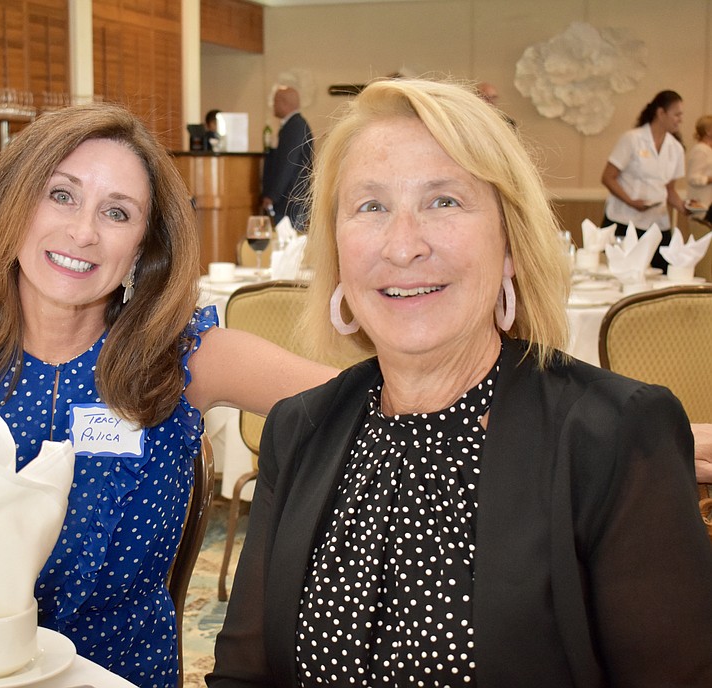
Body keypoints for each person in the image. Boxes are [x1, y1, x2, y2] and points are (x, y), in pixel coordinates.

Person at [209, 78, 712, 686]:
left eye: (443, 201)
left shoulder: (610, 438)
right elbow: (244, 674)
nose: (403, 245)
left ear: (509, 245)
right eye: (370, 206)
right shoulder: (300, 428)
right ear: (336, 253)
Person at [0, 102, 335, 688]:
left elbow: (361, 400)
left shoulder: (183, 356)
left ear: (144, 246)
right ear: (13, 204)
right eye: (61, 195)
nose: (83, 231)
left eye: (116, 212)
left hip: (123, 675)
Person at [601, 90, 689, 270]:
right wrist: (631, 201)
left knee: (664, 271)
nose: (680, 119)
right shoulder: (632, 139)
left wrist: (684, 207)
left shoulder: (676, 148)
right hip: (624, 220)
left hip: (657, 223)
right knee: (619, 272)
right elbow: (608, 177)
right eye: (677, 114)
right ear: (661, 113)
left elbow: (669, 190)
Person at [261, 86, 314, 230]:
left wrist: (272, 196)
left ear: (284, 103)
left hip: (290, 202)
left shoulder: (295, 127)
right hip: (291, 200)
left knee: (288, 247)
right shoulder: (295, 125)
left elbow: (286, 165)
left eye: (275, 101)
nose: (272, 105)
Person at [686, 115, 712, 210]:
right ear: (708, 131)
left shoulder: (709, 150)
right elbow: (693, 178)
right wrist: (710, 179)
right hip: (700, 207)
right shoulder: (700, 150)